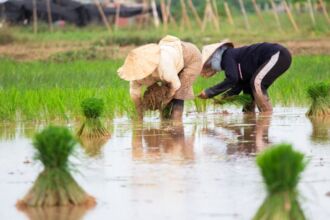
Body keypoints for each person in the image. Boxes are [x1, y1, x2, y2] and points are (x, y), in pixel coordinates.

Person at [118, 35, 202, 121]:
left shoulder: (164, 67)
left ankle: (177, 123)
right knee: (165, 113)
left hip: (191, 57)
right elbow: (135, 95)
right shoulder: (135, 76)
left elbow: (176, 85)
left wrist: (164, 101)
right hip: (172, 57)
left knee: (178, 96)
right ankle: (165, 123)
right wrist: (140, 116)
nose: (140, 77)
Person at [197, 40, 292, 113]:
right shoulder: (233, 60)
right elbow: (238, 85)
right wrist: (222, 99)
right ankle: (251, 118)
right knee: (248, 95)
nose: (210, 67)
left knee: (256, 83)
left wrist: (209, 92)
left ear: (215, 56)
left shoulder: (228, 56)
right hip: (278, 56)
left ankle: (266, 115)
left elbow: (232, 79)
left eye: (209, 65)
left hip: (278, 54)